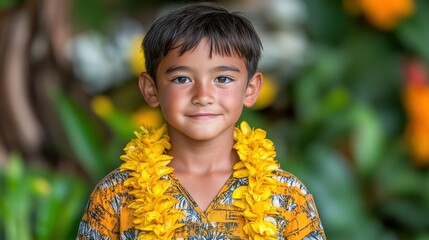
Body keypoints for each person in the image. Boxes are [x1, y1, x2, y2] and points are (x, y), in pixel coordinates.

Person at [76, 2, 326, 239]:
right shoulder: (116, 194)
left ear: (251, 89)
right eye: (182, 79)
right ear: (151, 89)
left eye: (223, 79)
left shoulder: (287, 196)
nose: (203, 96)